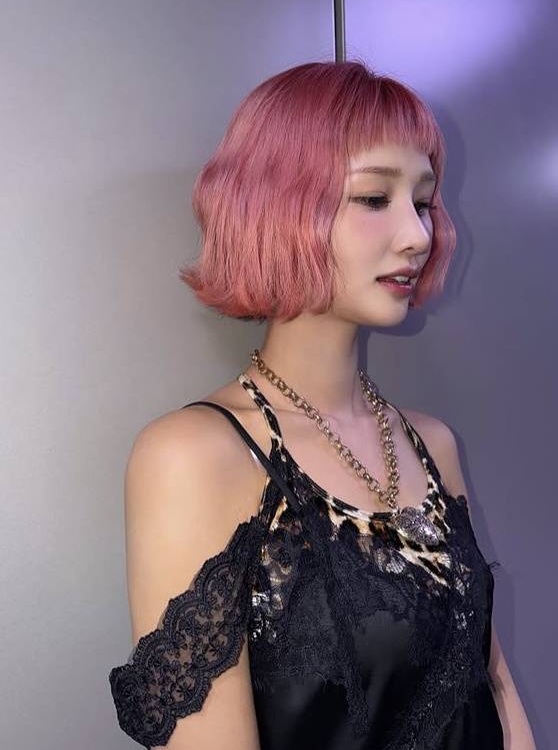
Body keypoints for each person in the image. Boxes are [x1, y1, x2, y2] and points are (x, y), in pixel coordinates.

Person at [108, 60, 535, 749]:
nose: (418, 235)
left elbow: (496, 686)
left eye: (423, 201)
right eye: (374, 198)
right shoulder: (195, 456)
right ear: (276, 206)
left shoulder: (431, 444)